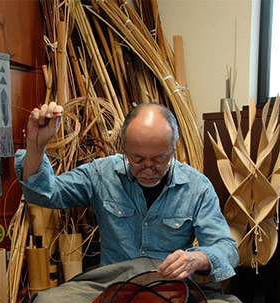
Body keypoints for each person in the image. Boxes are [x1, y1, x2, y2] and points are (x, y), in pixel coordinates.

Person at [15, 101, 238, 282]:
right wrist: (37, 145)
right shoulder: (101, 174)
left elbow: (227, 249)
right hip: (113, 289)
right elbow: (44, 193)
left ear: (173, 149)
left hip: (171, 293)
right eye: (137, 158)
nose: (148, 168)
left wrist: (196, 259)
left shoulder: (196, 187)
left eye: (160, 158)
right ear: (124, 149)